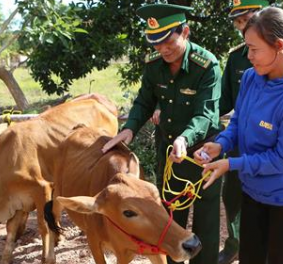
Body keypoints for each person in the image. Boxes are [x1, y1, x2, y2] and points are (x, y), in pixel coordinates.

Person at [193, 7, 283, 264]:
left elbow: (282, 161)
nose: (248, 56)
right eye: (247, 47)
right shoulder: (252, 78)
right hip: (253, 192)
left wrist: (231, 164)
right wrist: (220, 144)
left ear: (279, 46)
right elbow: (239, 122)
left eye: (254, 49)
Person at [102, 3, 223, 264]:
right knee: (167, 219)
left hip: (203, 154)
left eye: (168, 41)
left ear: (185, 32)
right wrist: (129, 129)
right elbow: (144, 101)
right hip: (169, 154)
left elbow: (207, 114)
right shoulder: (154, 65)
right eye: (155, 43)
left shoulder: (207, 65)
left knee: (206, 222)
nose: (162, 49)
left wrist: (185, 138)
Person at [218, 1, 270, 263]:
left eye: (245, 19)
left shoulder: (279, 51)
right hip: (241, 140)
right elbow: (224, 100)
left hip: (270, 142)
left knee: (266, 197)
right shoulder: (236, 57)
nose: (241, 26)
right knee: (232, 195)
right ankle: (235, 243)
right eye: (237, 21)